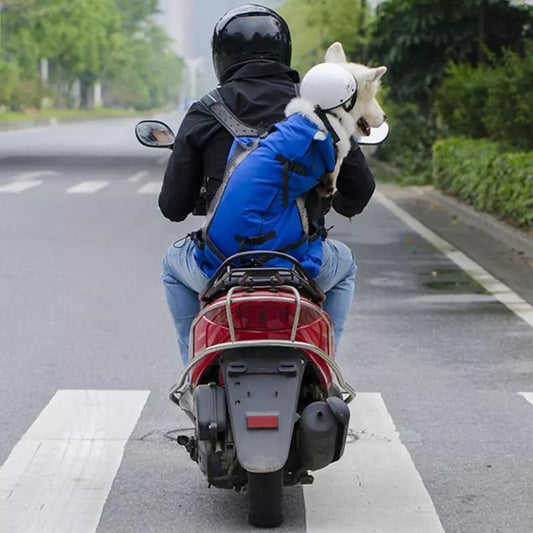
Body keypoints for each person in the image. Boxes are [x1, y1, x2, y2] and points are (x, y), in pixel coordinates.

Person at [159, 4, 376, 366]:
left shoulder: (204, 111)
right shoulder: (318, 108)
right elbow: (359, 191)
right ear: (284, 51)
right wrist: (338, 201)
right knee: (345, 263)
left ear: (220, 57)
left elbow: (172, 207)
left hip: (220, 267)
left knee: (172, 263)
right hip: (302, 268)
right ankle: (326, 366)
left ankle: (193, 372)